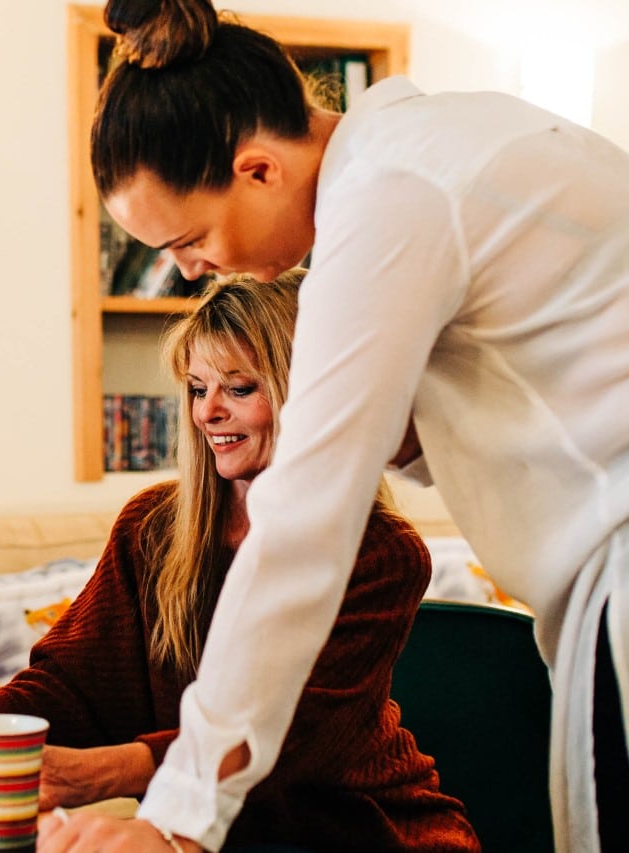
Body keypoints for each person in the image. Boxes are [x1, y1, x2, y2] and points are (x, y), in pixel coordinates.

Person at [39, 1, 629, 851]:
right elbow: (535, 387)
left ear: (258, 169)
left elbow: (303, 525)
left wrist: (175, 822)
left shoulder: (387, 199)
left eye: (190, 237)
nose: (187, 269)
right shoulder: (451, 141)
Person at [0, 272, 479, 851]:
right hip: (202, 836)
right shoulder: (152, 528)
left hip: (356, 831)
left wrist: (105, 774)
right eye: (198, 389)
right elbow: (76, 683)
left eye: (239, 389)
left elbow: (291, 741)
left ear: (311, 395)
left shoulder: (381, 554)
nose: (207, 413)